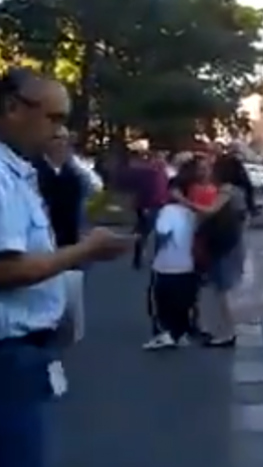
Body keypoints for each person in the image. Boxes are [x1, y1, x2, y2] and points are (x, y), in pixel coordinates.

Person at [0, 68, 134, 467]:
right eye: (54, 118)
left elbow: (95, 198)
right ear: (13, 108)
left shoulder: (25, 171)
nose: (60, 132)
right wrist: (85, 250)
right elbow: (9, 270)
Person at [176, 153, 254, 346]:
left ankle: (227, 333)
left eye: (213, 167)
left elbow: (210, 210)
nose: (211, 171)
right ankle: (223, 330)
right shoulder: (240, 190)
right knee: (221, 289)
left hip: (225, 244)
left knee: (222, 291)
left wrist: (182, 201)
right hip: (234, 242)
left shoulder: (227, 189)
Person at [142, 186, 199, 350]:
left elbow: (163, 232)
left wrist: (151, 248)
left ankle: (164, 334)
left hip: (166, 265)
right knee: (181, 302)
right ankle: (180, 334)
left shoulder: (168, 211)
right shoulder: (192, 213)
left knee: (160, 301)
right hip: (187, 264)